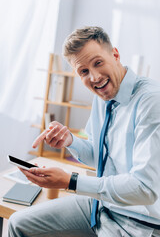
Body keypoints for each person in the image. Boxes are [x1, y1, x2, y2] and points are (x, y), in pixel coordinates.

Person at [8, 26, 160, 237]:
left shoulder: (151, 101)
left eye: (98, 63)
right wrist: (70, 140)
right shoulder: (102, 97)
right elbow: (99, 158)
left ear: (115, 54)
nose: (95, 77)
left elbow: (145, 189)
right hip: (102, 206)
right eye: (84, 71)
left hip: (137, 222)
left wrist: (70, 181)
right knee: (17, 223)